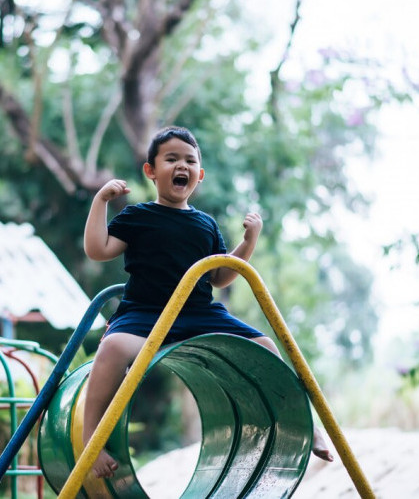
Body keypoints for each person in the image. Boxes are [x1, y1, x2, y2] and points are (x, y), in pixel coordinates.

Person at [82, 126, 333, 479]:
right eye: (171, 159)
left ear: (199, 175)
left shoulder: (205, 224)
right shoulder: (138, 217)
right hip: (145, 314)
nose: (180, 165)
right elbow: (97, 250)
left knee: (263, 344)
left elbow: (220, 276)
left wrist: (249, 241)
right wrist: (101, 202)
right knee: (111, 348)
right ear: (150, 171)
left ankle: (305, 425)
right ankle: (91, 438)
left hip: (199, 313)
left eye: (189, 160)